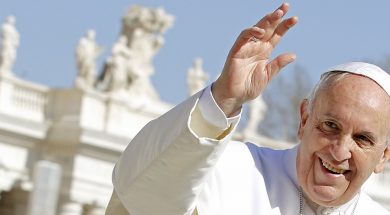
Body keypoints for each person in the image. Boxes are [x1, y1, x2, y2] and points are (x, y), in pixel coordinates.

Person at [105, 3, 390, 215]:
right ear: (304, 120)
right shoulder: (229, 169)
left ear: (384, 156)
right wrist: (223, 100)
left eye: (363, 139)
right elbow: (144, 197)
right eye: (330, 126)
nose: (339, 152)